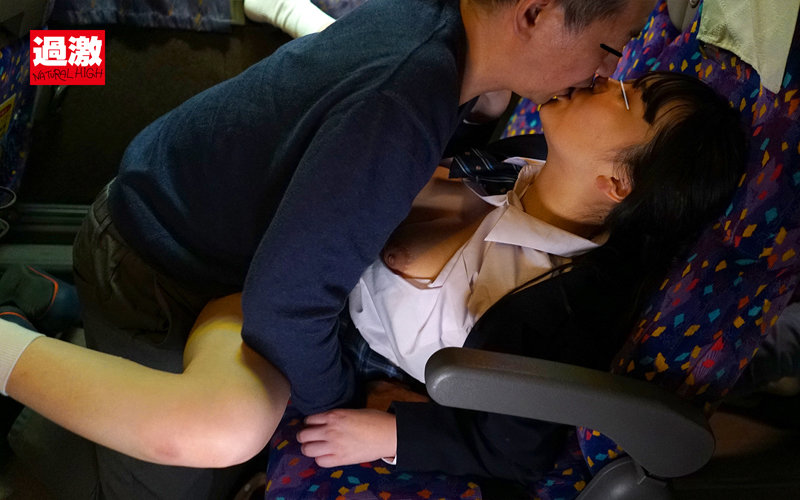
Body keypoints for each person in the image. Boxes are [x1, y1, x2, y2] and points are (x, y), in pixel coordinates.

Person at [1, 71, 745, 488]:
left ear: (617, 184)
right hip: (321, 268)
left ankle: (34, 332)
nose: (607, 78)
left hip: (345, 342)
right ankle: (66, 308)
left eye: (626, 99)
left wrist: (395, 433)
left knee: (208, 426)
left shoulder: (561, 307)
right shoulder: (522, 159)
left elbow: (519, 447)